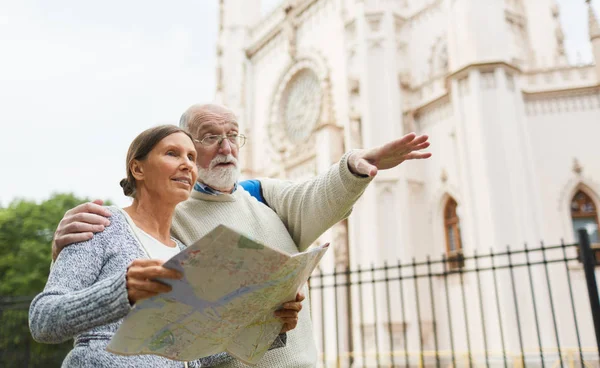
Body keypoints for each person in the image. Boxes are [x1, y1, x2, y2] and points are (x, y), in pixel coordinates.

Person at [51, 104, 432, 367]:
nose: (227, 148)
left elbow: (195, 345)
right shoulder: (145, 220)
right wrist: (63, 251)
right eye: (210, 137)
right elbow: (61, 313)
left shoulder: (261, 193)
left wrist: (353, 168)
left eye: (233, 135)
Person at [29, 125, 285, 367]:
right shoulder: (101, 225)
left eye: (191, 157)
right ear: (138, 169)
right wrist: (122, 291)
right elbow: (43, 320)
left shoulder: (186, 252)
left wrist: (267, 322)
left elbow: (191, 352)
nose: (187, 164)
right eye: (172, 154)